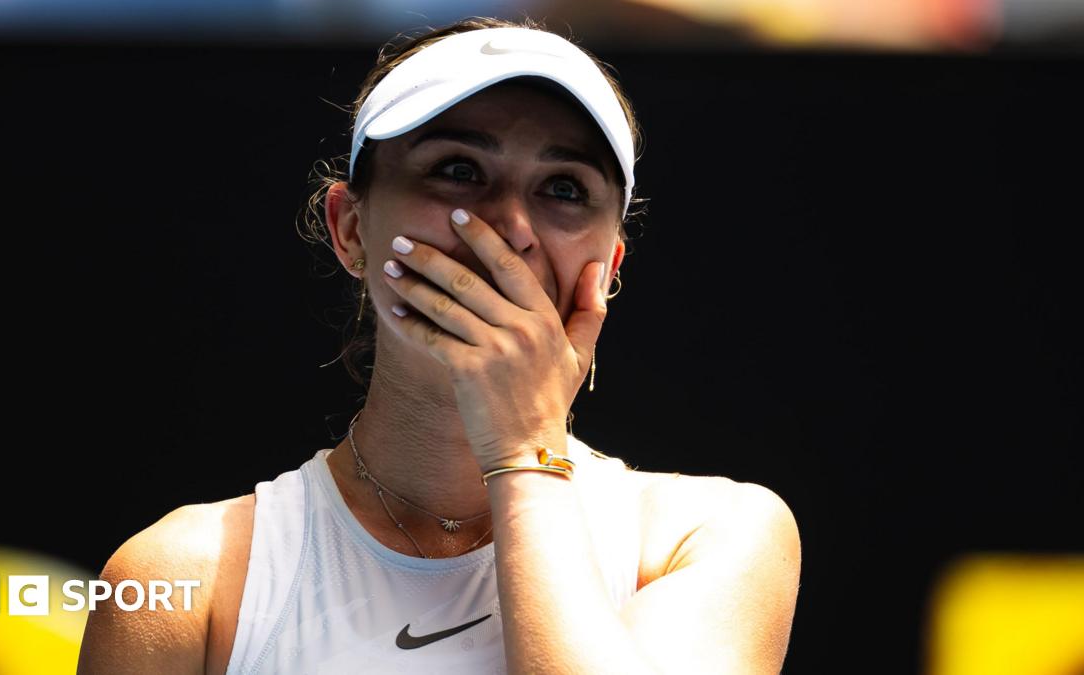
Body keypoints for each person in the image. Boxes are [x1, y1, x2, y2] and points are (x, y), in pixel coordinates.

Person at [77, 16, 801, 674]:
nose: (511, 226)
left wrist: (522, 448)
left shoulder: (711, 536)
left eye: (564, 188)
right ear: (350, 228)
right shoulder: (182, 576)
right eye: (457, 169)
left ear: (608, 267)